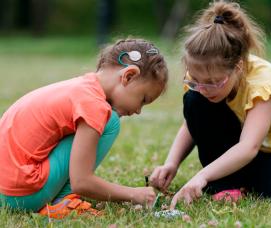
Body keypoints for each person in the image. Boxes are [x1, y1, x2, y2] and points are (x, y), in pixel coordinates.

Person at [149, 0, 271, 209]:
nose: (204, 87)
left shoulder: (263, 85)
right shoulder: (201, 79)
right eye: (195, 80)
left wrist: (202, 175)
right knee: (195, 100)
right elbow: (193, 123)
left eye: (214, 82)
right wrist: (172, 162)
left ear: (238, 68)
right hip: (232, 150)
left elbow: (248, 147)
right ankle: (227, 183)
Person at [0, 38, 168, 218]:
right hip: (23, 195)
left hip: (4, 191)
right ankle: (63, 202)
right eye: (143, 99)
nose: (138, 111)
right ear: (128, 76)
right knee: (110, 121)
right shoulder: (94, 104)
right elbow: (81, 182)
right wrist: (134, 194)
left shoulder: (82, 87)